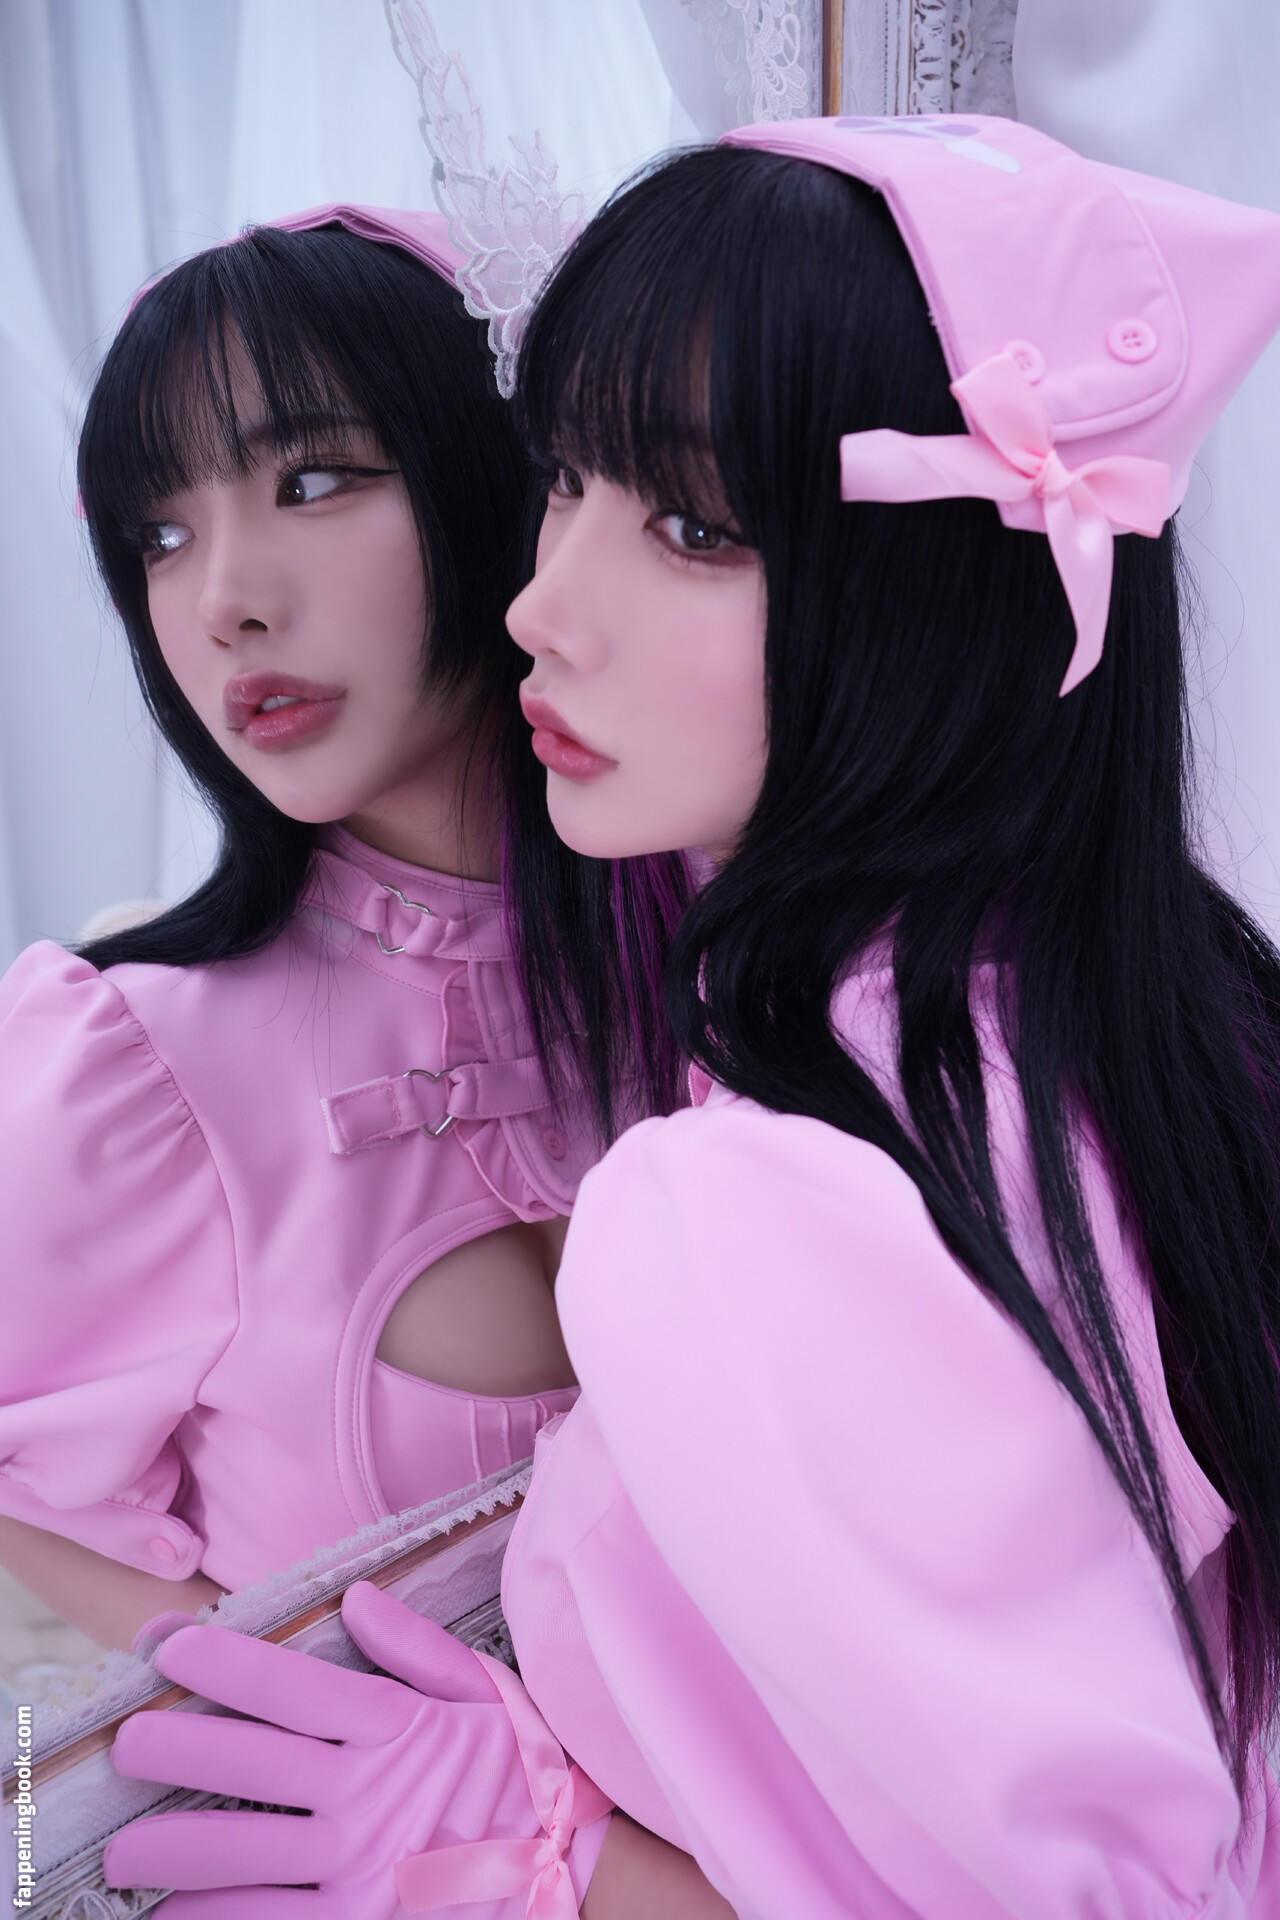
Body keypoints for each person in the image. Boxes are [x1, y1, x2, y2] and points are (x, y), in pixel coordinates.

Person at [103, 116, 1280, 1916]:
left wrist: (569, 1865)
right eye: (564, 480)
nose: (542, 608)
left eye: (691, 526)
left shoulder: (766, 1202)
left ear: (936, 592)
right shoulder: (1151, 1023)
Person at [0, 206, 685, 1653]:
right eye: (160, 536)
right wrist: (279, 1697)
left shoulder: (756, 964)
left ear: (507, 479)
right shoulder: (130, 1060)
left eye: (311, 481)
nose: (224, 603)